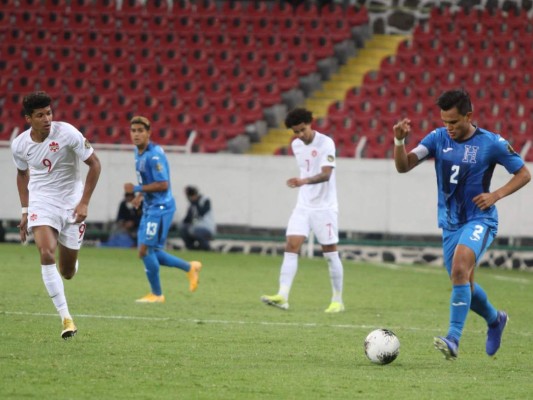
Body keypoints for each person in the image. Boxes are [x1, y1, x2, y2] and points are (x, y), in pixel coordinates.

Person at [393, 89, 530, 360]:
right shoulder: (437, 138)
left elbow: (523, 174)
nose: (449, 127)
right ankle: (495, 320)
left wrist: (496, 195)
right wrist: (399, 142)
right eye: (445, 121)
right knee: (463, 280)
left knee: (459, 268)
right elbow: (403, 166)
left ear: (469, 116)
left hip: (481, 219)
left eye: (454, 122)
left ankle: (453, 338)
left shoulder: (492, 143)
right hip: (450, 224)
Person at [11, 91, 102, 339]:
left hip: (72, 203)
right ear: (29, 118)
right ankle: (66, 319)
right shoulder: (19, 145)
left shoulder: (68, 133)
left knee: (68, 271)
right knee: (46, 251)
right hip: (43, 200)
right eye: (40, 115)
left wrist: (84, 202)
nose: (47, 119)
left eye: (49, 113)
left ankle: (70, 256)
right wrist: (25, 210)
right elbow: (22, 175)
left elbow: (95, 164)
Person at [261, 108, 345, 313]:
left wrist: (303, 181)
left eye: (302, 130)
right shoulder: (296, 145)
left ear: (311, 122)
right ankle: (283, 296)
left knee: (329, 253)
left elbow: (326, 175)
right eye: (295, 132)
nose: (299, 135)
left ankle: (337, 300)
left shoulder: (326, 143)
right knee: (291, 245)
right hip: (304, 205)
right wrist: (303, 183)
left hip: (325, 207)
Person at [124, 115, 202, 303]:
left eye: (140, 131)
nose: (136, 135)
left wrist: (135, 189)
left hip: (160, 208)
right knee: (153, 251)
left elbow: (163, 184)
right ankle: (189, 267)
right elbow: (149, 181)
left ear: (149, 133)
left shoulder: (154, 155)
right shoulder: (138, 151)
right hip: (151, 206)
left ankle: (157, 295)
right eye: (133, 131)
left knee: (144, 251)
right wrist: (140, 196)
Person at [180, 185, 216, 251]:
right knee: (183, 228)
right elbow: (187, 219)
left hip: (207, 228)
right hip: (195, 228)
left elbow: (201, 213)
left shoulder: (205, 200)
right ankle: (191, 248)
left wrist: (195, 202)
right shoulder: (192, 204)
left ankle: (206, 248)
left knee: (197, 231)